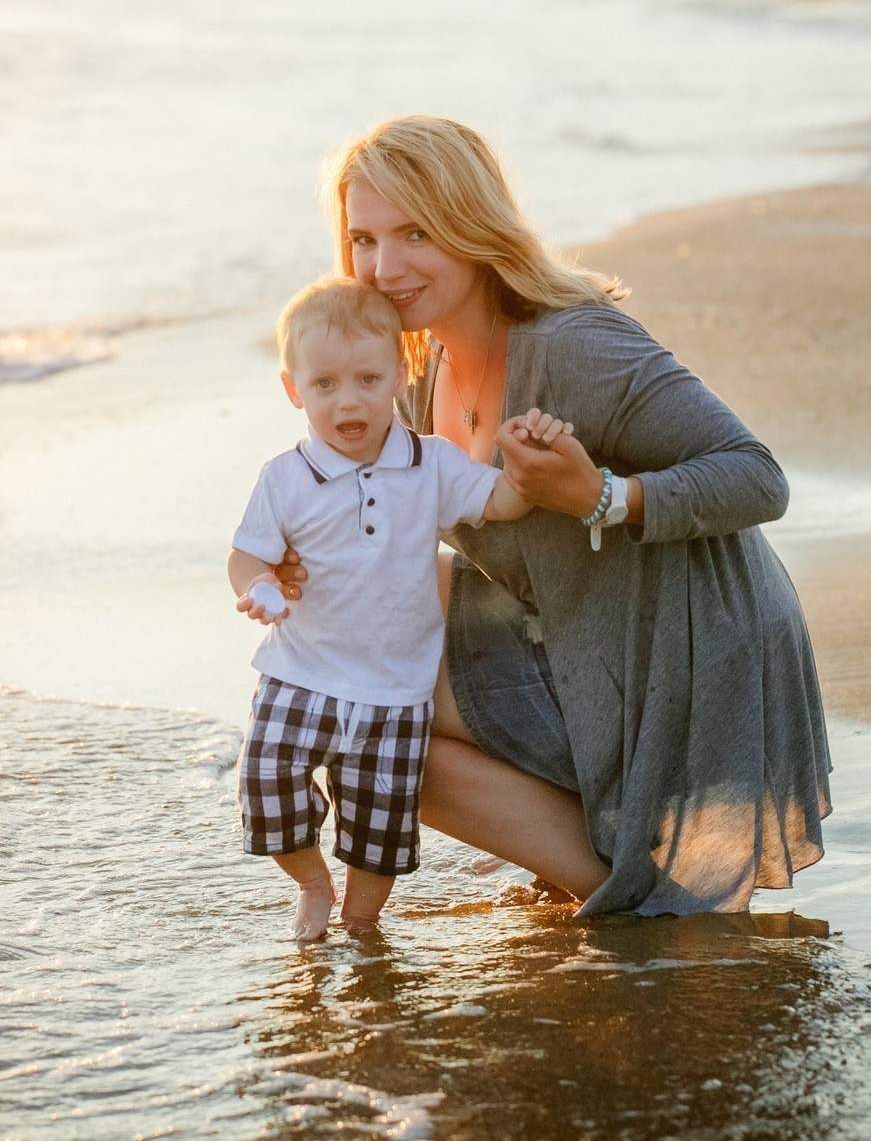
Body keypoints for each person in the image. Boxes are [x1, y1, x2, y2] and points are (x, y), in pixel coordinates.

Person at [274, 115, 832, 916]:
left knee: (380, 739)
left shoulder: (573, 344)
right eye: (363, 239)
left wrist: (601, 497)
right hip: (573, 628)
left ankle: (635, 887)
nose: (383, 267)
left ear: (471, 225)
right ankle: (586, 838)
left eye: (416, 233)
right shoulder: (420, 363)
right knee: (340, 650)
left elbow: (758, 478)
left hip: (683, 655)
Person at [229, 276, 570, 940]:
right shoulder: (285, 478)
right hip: (301, 673)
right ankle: (311, 885)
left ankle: (360, 921)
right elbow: (246, 554)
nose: (347, 399)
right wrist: (260, 586)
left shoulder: (431, 465)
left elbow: (500, 500)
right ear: (294, 389)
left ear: (397, 375)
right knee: (267, 790)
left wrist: (531, 462)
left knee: (379, 824)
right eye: (324, 384)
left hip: (395, 690)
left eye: (366, 378)